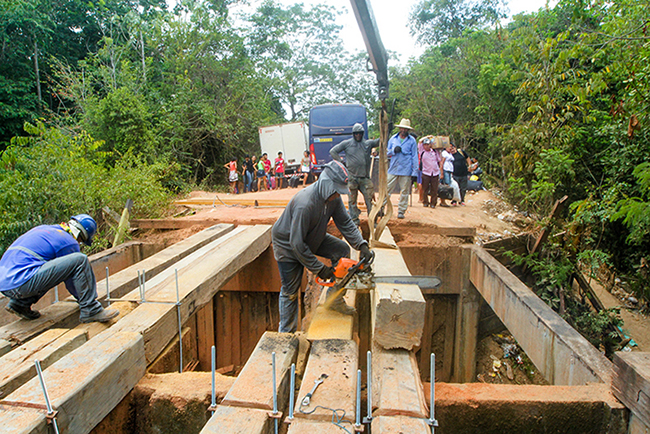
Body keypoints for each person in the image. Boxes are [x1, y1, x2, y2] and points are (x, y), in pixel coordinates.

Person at [272, 161, 373, 333]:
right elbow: (296, 244)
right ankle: (286, 334)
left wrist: (361, 244)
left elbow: (345, 222)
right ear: (327, 184)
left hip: (312, 236)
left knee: (341, 250)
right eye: (336, 191)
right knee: (290, 290)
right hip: (287, 245)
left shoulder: (333, 199)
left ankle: (334, 301)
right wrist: (319, 269)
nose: (337, 195)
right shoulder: (305, 204)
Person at [0, 215, 119, 323]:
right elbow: (73, 280)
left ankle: (20, 305)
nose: (79, 243)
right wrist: (84, 299)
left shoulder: (47, 230)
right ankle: (91, 309)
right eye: (81, 241)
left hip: (6, 283)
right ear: (81, 235)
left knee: (43, 268)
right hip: (21, 281)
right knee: (80, 260)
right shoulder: (69, 242)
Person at [330, 123, 380, 225]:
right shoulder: (347, 143)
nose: (358, 135)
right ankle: (354, 221)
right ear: (353, 134)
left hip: (365, 178)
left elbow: (379, 142)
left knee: (370, 200)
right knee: (352, 201)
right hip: (352, 178)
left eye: (360, 133)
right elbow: (333, 151)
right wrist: (341, 162)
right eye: (356, 133)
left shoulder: (367, 144)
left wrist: (386, 131)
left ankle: (372, 221)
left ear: (362, 133)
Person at [385, 118, 418, 219]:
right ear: (399, 128)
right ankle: (381, 208)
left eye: (405, 129)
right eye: (402, 128)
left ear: (408, 130)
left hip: (406, 169)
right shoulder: (393, 139)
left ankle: (401, 211)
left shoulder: (412, 141)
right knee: (387, 189)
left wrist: (415, 172)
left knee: (404, 191)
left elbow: (414, 156)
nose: (403, 130)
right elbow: (386, 152)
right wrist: (393, 151)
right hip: (393, 168)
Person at [420, 138, 442, 208]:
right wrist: (428, 136)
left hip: (435, 172)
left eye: (428, 144)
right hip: (426, 172)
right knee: (425, 188)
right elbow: (420, 141)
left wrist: (441, 171)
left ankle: (433, 203)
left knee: (434, 189)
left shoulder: (435, 152)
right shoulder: (422, 152)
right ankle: (425, 202)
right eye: (425, 145)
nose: (426, 146)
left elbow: (439, 160)